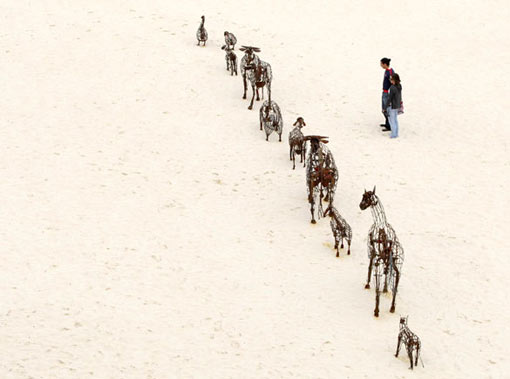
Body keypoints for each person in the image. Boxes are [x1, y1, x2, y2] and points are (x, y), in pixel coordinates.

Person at [380, 58, 394, 131]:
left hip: (387, 93)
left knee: (386, 109)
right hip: (385, 92)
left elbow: (393, 83)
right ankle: (387, 123)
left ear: (385, 64)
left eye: (381, 64)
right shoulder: (387, 71)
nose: (381, 65)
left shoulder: (389, 72)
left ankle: (390, 125)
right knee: (384, 109)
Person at [386, 73, 402, 139]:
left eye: (391, 79)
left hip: (392, 106)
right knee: (395, 120)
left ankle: (393, 134)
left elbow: (390, 98)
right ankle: (396, 133)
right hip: (397, 105)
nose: (390, 80)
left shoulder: (392, 88)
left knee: (392, 121)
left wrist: (385, 106)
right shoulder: (399, 86)